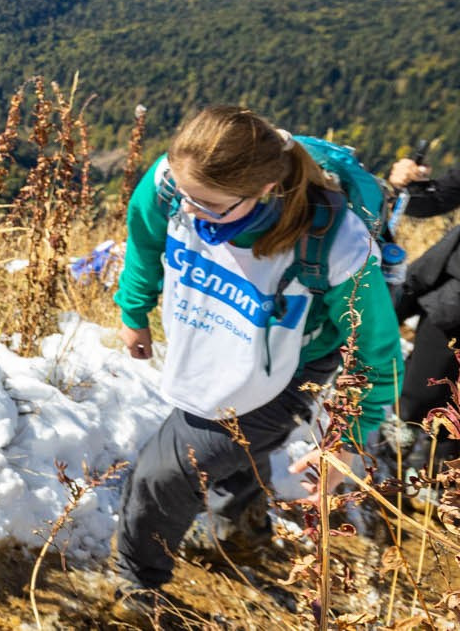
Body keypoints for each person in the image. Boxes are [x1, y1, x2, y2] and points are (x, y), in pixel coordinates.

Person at [111, 106, 402, 618]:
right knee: (236, 446)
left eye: (211, 207)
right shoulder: (170, 185)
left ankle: (138, 587)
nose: (192, 212)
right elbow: (145, 238)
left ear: (267, 188)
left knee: (164, 472)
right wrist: (133, 309)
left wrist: (347, 443)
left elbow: (376, 352)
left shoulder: (333, 243)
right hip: (218, 340)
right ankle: (240, 530)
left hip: (295, 369)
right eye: (185, 196)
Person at [388, 152, 460, 484]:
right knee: (419, 392)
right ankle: (395, 466)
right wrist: (409, 185)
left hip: (450, 300)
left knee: (436, 399)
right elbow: (436, 199)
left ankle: (433, 480)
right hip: (439, 277)